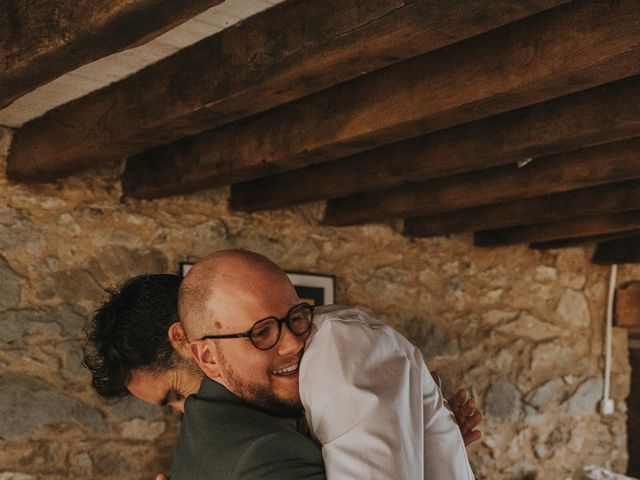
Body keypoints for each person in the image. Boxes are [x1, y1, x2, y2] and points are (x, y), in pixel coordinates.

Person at [84, 268, 482, 478]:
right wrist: (422, 445)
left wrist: (423, 442)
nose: (190, 413)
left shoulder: (332, 355)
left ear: (193, 345)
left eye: (175, 394)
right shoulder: (268, 414)